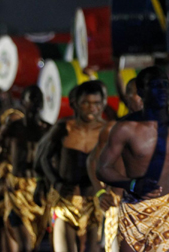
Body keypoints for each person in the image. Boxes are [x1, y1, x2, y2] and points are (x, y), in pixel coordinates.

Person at [97, 66, 169, 252]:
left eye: (165, 85)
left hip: (167, 207)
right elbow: (102, 168)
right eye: (155, 86)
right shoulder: (125, 128)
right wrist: (132, 184)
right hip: (134, 207)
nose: (162, 90)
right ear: (141, 92)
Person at [39, 80, 109, 252]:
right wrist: (56, 182)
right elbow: (44, 158)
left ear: (102, 105)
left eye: (96, 104)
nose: (92, 108)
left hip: (95, 202)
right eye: (86, 103)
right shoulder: (64, 127)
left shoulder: (107, 131)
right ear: (76, 104)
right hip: (66, 201)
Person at [0, 85, 51, 252]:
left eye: (37, 101)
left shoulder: (47, 129)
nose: (34, 104)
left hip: (38, 188)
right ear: (23, 103)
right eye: (30, 100)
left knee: (35, 241)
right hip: (16, 190)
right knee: (24, 244)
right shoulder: (14, 127)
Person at [87, 75, 144, 252]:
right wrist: (100, 192)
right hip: (119, 208)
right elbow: (92, 161)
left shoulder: (157, 129)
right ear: (127, 96)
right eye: (138, 94)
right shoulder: (114, 128)